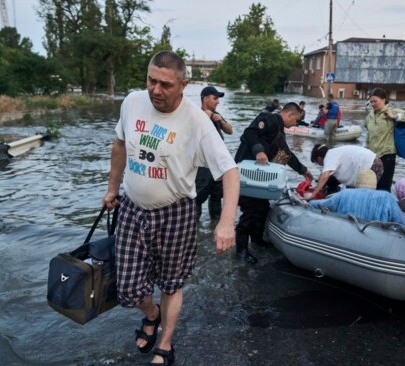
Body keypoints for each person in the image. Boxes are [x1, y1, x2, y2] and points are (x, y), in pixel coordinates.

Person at [102, 51, 240, 365]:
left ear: (183, 85)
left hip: (175, 212)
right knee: (128, 288)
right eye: (151, 80)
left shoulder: (197, 121)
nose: (155, 90)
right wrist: (112, 188)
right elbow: (120, 144)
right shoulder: (132, 102)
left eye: (165, 84)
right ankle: (151, 315)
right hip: (132, 208)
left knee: (171, 282)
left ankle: (165, 343)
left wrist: (226, 222)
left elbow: (229, 171)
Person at [234, 102, 314, 264]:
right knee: (249, 211)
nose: (295, 124)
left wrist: (303, 170)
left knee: (262, 207)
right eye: (296, 120)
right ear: (290, 115)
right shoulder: (268, 119)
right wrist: (259, 151)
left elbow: (286, 156)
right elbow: (249, 132)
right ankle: (241, 249)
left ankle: (257, 240)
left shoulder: (280, 134)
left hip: (260, 178)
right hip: (245, 175)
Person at [308, 171, 405, 226]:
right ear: (375, 183)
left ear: (356, 182)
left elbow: (321, 204)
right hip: (378, 241)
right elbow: (402, 224)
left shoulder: (345, 193)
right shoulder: (387, 197)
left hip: (345, 236)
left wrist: (308, 201)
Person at [365, 88, 405, 191]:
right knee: (371, 186)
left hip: (387, 156)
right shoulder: (369, 116)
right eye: (371, 102)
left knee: (383, 188)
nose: (373, 104)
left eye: (375, 101)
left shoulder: (391, 111)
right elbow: (369, 135)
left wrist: (395, 116)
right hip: (372, 157)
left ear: (383, 100)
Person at [195, 86, 234, 220]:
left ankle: (215, 224)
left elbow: (230, 131)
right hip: (202, 165)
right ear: (205, 99)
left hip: (218, 164)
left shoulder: (216, 114)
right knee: (197, 197)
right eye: (215, 98)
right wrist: (204, 118)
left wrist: (221, 121)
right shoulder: (196, 114)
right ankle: (195, 229)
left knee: (217, 196)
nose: (218, 102)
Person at [306, 144, 384, 198]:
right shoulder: (335, 153)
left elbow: (325, 176)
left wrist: (313, 194)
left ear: (319, 158)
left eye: (317, 162)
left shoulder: (329, 156)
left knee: (361, 197)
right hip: (375, 162)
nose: (319, 164)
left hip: (371, 165)